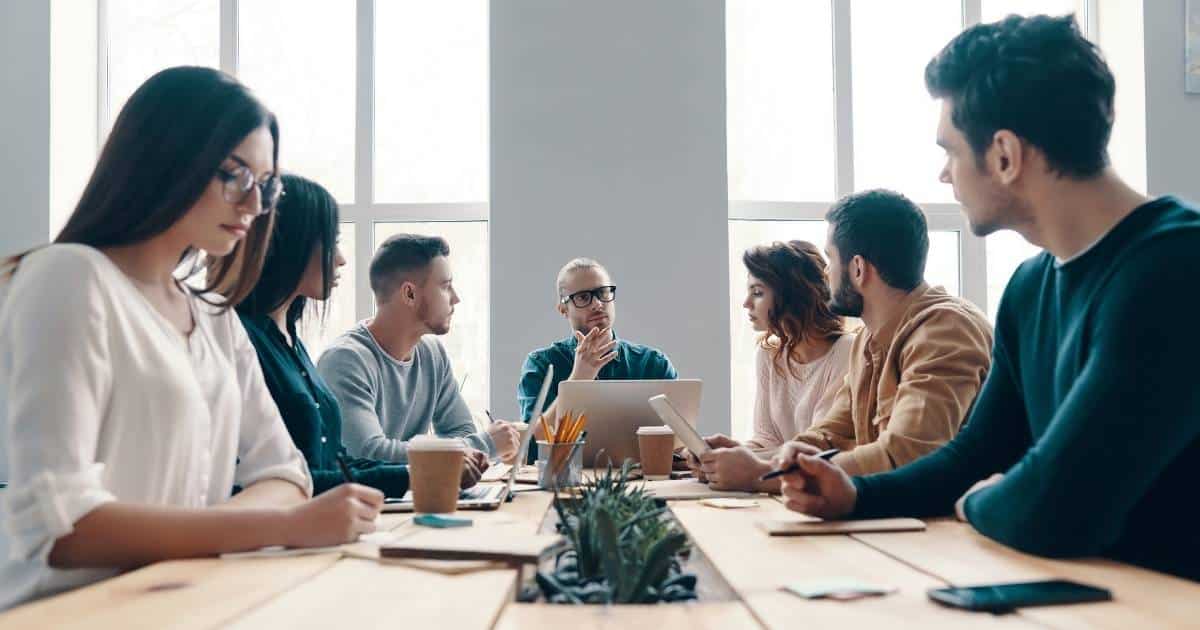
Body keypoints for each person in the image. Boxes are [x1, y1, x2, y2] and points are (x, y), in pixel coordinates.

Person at [774, 15, 1200, 581]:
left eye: (950, 151)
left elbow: (1059, 509)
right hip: (1090, 597)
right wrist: (853, 495)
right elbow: (974, 457)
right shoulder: (1030, 286)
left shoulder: (1174, 269)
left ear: (1004, 155)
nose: (944, 175)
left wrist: (979, 501)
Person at [0, 67, 381, 610]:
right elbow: (64, 529)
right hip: (67, 612)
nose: (253, 205)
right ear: (165, 160)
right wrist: (285, 525)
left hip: (181, 602)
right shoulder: (69, 277)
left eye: (265, 184)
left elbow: (285, 473)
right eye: (234, 175)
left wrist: (264, 521)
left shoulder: (215, 317)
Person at [695, 189, 993, 491]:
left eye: (830, 258)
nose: (826, 272)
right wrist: (760, 457)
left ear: (859, 269)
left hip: (950, 527)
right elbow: (827, 434)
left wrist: (761, 474)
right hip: (895, 517)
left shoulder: (946, 329)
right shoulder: (867, 340)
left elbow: (908, 455)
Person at [235, 174, 487, 495]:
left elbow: (336, 463)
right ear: (291, 244)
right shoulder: (246, 340)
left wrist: (426, 471)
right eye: (331, 241)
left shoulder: (290, 343)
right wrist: (422, 473)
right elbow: (296, 480)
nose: (340, 258)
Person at [318, 234, 517, 471]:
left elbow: (462, 430)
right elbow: (368, 453)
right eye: (445, 286)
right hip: (365, 504)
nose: (456, 298)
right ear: (409, 294)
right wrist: (484, 444)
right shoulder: (345, 360)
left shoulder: (432, 354)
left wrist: (458, 451)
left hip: (413, 498)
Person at [686, 240, 852, 478]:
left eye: (758, 292)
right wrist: (731, 453)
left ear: (793, 295)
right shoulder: (769, 355)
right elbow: (766, 439)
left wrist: (737, 461)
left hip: (817, 486)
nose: (746, 303)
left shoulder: (846, 351)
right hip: (776, 487)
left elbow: (821, 449)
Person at [517, 258, 678, 448]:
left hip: (643, 475)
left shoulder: (653, 363)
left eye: (603, 293)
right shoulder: (542, 364)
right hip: (566, 476)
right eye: (583, 297)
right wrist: (578, 379)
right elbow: (530, 447)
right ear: (563, 309)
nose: (597, 304)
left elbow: (677, 443)